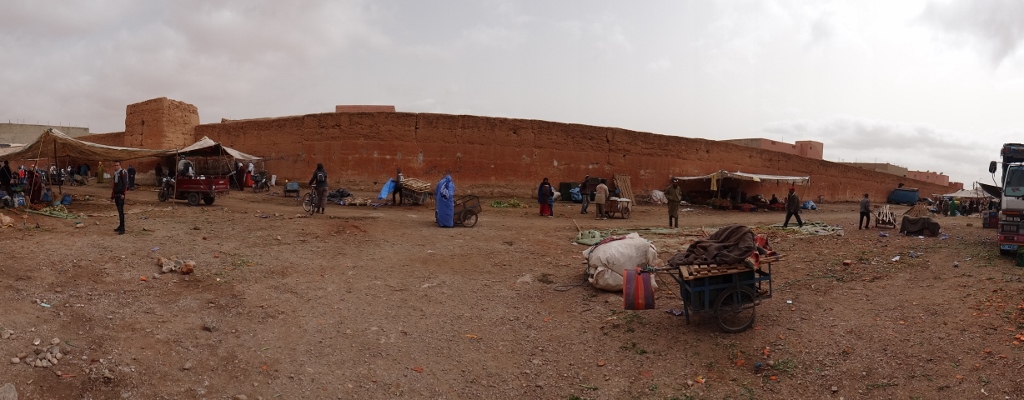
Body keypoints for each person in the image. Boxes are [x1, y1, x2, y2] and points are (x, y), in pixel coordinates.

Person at [111, 161, 128, 235]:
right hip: (116, 195)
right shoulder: (116, 174)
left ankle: (122, 228)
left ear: (120, 165)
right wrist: (112, 196)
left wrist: (123, 194)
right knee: (119, 211)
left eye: (117, 165)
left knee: (121, 212)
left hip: (121, 195)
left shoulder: (122, 173)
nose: (116, 166)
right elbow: (114, 185)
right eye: (115, 165)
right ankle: (120, 226)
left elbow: (125, 184)